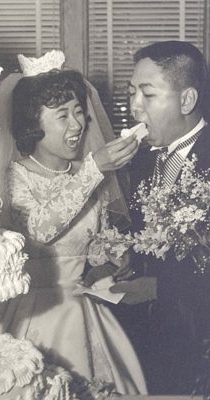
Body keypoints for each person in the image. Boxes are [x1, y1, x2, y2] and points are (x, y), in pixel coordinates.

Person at [0, 50, 148, 398]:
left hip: (87, 312)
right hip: (32, 314)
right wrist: (93, 169)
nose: (78, 125)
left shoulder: (92, 176)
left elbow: (100, 243)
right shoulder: (13, 177)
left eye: (79, 113)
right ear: (33, 124)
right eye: (63, 115)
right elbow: (40, 230)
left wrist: (113, 261)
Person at [110, 40, 210, 395]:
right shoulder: (141, 160)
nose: (134, 108)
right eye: (131, 93)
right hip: (150, 339)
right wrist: (127, 261)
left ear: (187, 100)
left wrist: (160, 288)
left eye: (147, 95)